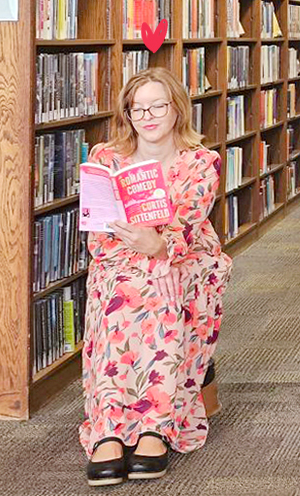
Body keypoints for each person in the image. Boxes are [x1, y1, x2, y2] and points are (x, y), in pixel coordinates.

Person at [80, 67, 229, 487]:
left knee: (164, 288)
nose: (146, 116)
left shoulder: (200, 163)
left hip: (185, 255)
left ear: (176, 109)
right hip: (121, 257)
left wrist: (162, 253)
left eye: (156, 106)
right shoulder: (105, 159)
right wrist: (148, 257)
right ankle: (109, 426)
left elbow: (187, 226)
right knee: (126, 287)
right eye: (136, 108)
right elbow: (98, 231)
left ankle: (154, 426)